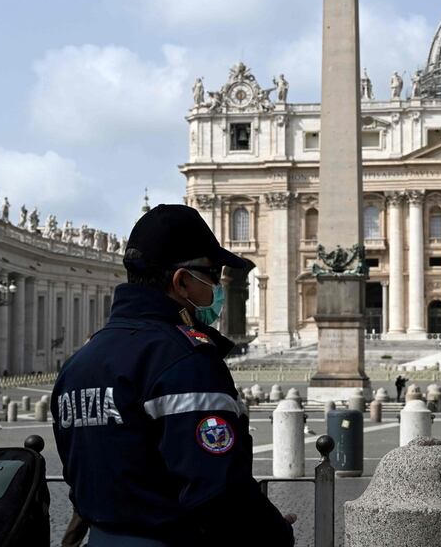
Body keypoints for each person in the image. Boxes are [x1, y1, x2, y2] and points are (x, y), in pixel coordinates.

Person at [52, 204, 296, 546]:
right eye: (213, 275)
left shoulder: (78, 364)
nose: (217, 287)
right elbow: (218, 490)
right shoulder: (184, 360)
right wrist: (274, 533)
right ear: (182, 281)